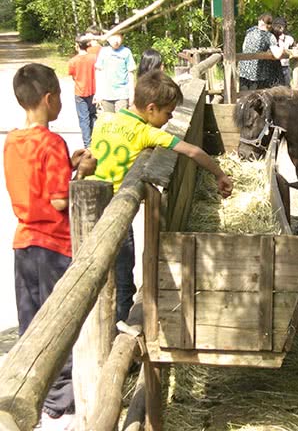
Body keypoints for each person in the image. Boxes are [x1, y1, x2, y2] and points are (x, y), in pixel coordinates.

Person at [88, 70, 233, 323]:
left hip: (89, 208)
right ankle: (120, 329)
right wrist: (220, 174)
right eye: (167, 113)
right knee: (123, 281)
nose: (169, 119)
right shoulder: (146, 133)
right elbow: (193, 152)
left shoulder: (104, 120)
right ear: (151, 108)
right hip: (115, 211)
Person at [4, 63, 95, 430]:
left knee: (32, 324)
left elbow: (36, 185)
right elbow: (59, 201)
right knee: (61, 323)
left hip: (23, 243)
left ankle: (33, 392)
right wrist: (83, 172)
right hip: (55, 245)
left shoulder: (12, 140)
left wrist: (66, 167)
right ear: (49, 98)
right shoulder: (53, 142)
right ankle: (61, 402)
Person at [239, 13, 284, 90]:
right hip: (258, 75)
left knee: (243, 95)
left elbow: (244, 47)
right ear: (270, 25)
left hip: (243, 71)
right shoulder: (269, 36)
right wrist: (281, 42)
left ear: (259, 21)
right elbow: (277, 55)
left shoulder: (249, 31)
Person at [94, 31, 136, 113]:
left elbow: (130, 74)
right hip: (106, 94)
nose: (116, 40)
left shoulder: (126, 52)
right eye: (113, 37)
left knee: (120, 121)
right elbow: (99, 73)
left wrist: (132, 94)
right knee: (108, 121)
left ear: (122, 38)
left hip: (122, 94)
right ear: (108, 38)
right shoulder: (103, 51)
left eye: (119, 37)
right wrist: (98, 93)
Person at [68, 35, 97, 148]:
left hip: (80, 92)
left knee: (83, 119)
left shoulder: (73, 61)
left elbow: (73, 76)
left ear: (77, 46)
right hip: (93, 91)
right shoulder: (94, 58)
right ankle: (94, 140)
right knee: (93, 116)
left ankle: (87, 145)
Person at [272, 17, 295, 86]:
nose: (280, 28)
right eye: (278, 26)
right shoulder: (271, 37)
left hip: (285, 66)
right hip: (273, 67)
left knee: (286, 87)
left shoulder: (289, 38)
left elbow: (295, 47)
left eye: (282, 26)